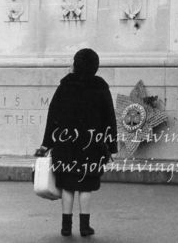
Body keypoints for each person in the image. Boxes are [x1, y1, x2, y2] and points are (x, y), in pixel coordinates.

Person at [35, 48, 117, 237]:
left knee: (68, 185)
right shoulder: (100, 87)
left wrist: (46, 143)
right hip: (93, 146)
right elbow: (109, 120)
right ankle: (84, 226)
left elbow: (52, 116)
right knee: (86, 186)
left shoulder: (65, 86)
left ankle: (66, 226)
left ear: (76, 64)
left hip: (65, 146)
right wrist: (111, 147)